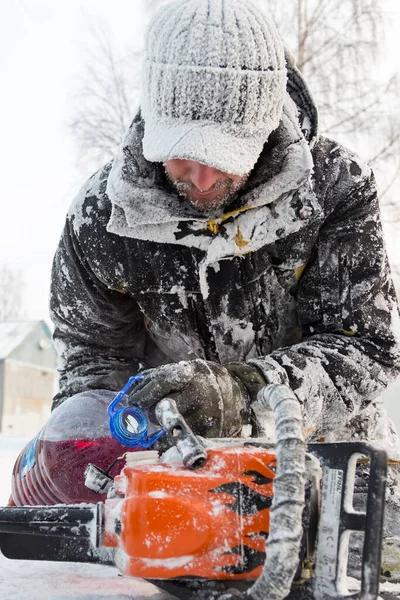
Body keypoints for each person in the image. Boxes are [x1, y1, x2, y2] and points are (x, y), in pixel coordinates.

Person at [11, 0, 400, 565]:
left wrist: (241, 393)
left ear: (265, 127)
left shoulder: (334, 192)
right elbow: (94, 360)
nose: (204, 177)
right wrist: (94, 441)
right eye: (184, 154)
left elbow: (366, 351)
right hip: (173, 483)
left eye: (227, 155)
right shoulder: (102, 221)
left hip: (331, 475)